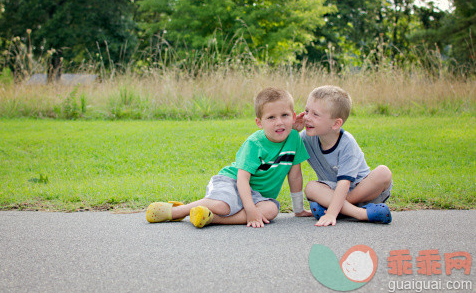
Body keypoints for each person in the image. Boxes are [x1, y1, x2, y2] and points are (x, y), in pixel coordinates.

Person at [146, 87, 311, 228]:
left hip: (258, 195)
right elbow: (242, 179)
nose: (279, 122)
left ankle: (211, 218)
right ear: (259, 122)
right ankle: (176, 211)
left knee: (271, 210)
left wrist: (298, 209)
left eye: (285, 115)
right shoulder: (254, 144)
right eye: (271, 117)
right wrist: (250, 210)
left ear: (294, 115)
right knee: (223, 206)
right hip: (232, 182)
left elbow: (295, 175)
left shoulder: (295, 139)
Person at [294, 85, 393, 226]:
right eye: (306, 111)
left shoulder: (347, 143)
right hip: (333, 191)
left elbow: (344, 183)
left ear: (336, 123)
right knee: (311, 187)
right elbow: (285, 151)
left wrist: (331, 213)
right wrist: (292, 130)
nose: (307, 118)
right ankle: (361, 213)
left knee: (384, 172)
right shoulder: (306, 138)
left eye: (315, 114)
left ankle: (337, 208)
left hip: (362, 190)